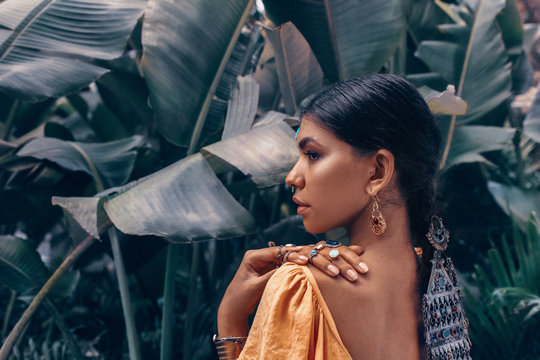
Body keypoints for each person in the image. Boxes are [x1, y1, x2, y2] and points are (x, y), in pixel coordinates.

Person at [216, 74, 472, 359]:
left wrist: (231, 318)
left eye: (312, 155)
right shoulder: (437, 284)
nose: (292, 177)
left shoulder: (301, 288)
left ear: (377, 171)